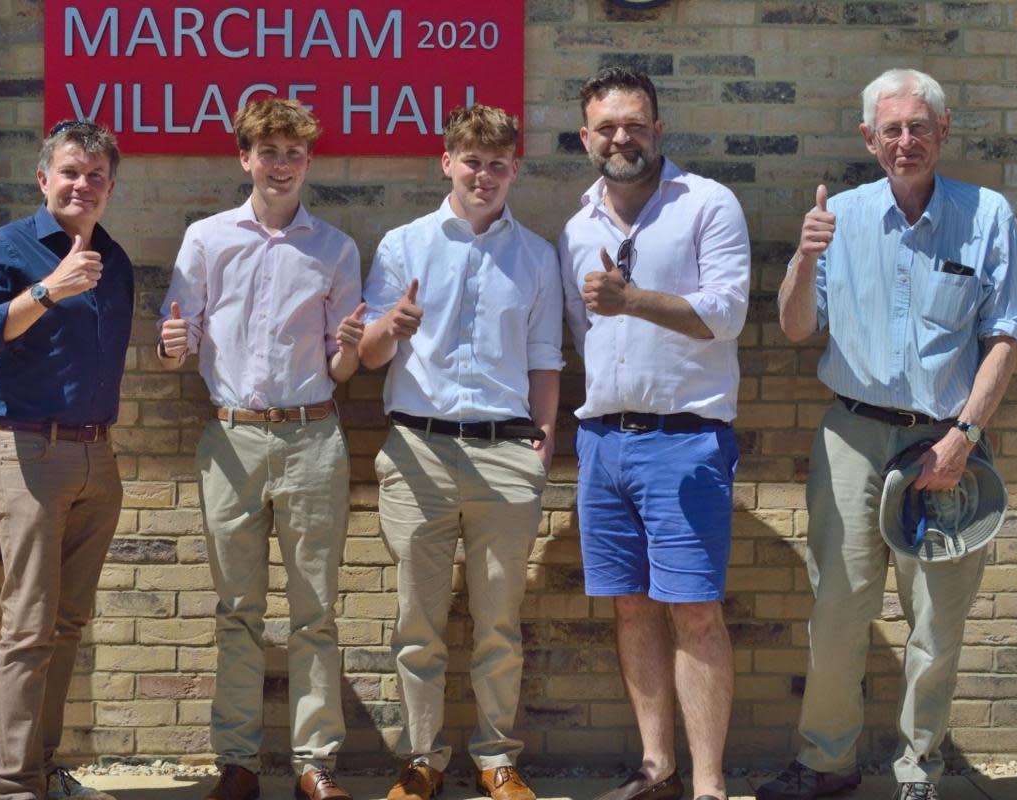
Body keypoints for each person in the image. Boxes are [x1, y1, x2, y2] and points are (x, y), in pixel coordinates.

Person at [757, 68, 1017, 800]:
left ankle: (919, 771)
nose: (905, 141)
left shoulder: (986, 215)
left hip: (947, 446)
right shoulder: (839, 217)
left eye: (919, 127)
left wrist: (965, 435)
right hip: (851, 438)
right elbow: (794, 328)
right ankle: (827, 762)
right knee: (839, 610)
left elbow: (1006, 337)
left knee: (934, 624)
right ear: (869, 139)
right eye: (892, 129)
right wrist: (806, 254)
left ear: (944, 131)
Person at [156, 98, 364, 800]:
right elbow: (175, 340)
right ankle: (238, 761)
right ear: (244, 157)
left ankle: (315, 764)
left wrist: (352, 353)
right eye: (268, 151)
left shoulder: (334, 248)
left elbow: (343, 367)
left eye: (294, 152)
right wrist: (172, 346)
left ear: (310, 161)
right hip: (233, 436)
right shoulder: (207, 240)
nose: (281, 164)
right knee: (237, 610)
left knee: (316, 611)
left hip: (313, 436)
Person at [358, 104, 562, 800]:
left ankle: (497, 757)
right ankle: (423, 759)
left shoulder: (535, 255)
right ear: (447, 162)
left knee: (499, 622)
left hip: (507, 454)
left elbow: (544, 360)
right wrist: (393, 325)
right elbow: (366, 354)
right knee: (418, 621)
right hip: (419, 450)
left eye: (498, 163)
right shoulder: (403, 245)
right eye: (472, 160)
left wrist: (542, 445)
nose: (484, 174)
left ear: (514, 171)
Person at [560, 66, 751, 800]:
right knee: (631, 606)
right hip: (603, 444)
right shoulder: (577, 226)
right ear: (586, 137)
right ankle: (657, 768)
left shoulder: (707, 203)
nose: (622, 137)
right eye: (607, 126)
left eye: (635, 123)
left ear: (659, 128)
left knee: (696, 612)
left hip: (685, 441)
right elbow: (581, 336)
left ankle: (709, 785)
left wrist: (632, 299)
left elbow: (728, 313)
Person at [0, 120, 131, 800]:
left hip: (95, 457)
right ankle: (17, 788)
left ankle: (42, 767)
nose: (83, 184)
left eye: (96, 176)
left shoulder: (112, 257)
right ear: (44, 178)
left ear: (110, 187)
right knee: (29, 627)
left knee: (68, 622)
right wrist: (48, 288)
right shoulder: (11, 246)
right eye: (71, 172)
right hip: (26, 449)